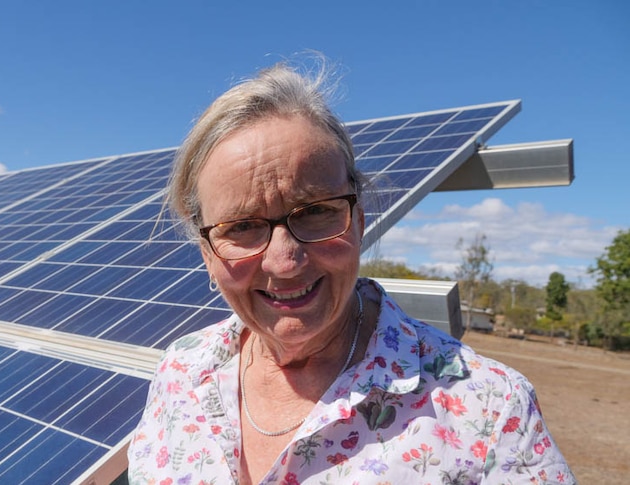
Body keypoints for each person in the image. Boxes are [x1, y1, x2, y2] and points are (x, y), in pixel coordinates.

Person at [128, 60, 575, 484]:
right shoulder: (181, 373)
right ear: (207, 252)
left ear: (359, 220)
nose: (285, 261)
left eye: (316, 211)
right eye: (241, 227)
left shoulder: (490, 411)